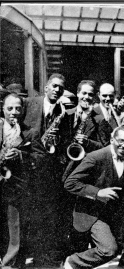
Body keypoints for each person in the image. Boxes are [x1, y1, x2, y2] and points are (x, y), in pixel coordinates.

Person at [63, 126, 124, 269]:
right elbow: (70, 182)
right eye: (121, 141)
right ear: (112, 140)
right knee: (109, 250)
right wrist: (98, 192)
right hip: (94, 213)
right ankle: (73, 262)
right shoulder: (96, 157)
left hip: (116, 209)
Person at [22, 73, 72, 266]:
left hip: (47, 170)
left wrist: (56, 143)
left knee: (44, 214)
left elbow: (64, 140)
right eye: (55, 86)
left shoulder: (62, 111)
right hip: (27, 166)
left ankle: (40, 256)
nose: (57, 90)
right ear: (46, 87)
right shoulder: (29, 102)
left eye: (61, 87)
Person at [0, 93, 35, 268]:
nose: (14, 112)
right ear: (2, 109)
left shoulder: (28, 132)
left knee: (15, 230)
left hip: (15, 188)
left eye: (18, 108)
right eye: (9, 108)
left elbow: (37, 158)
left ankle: (11, 263)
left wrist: (20, 154)